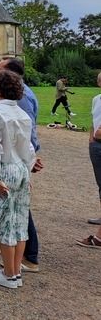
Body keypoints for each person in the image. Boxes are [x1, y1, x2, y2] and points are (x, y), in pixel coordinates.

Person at [0, 70, 35, 288]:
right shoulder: (22, 114)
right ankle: (14, 272)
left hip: (4, 169)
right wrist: (28, 170)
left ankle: (8, 274)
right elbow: (27, 148)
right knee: (19, 220)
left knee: (6, 222)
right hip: (21, 168)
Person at [0, 57, 43, 273]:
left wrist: (29, 160)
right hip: (22, 158)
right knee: (17, 209)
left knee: (17, 211)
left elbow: (24, 131)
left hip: (16, 160)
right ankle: (17, 260)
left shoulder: (20, 97)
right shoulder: (18, 94)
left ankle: (27, 257)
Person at [76, 71, 101, 247]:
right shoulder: (96, 99)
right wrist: (92, 138)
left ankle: (99, 239)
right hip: (97, 146)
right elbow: (94, 120)